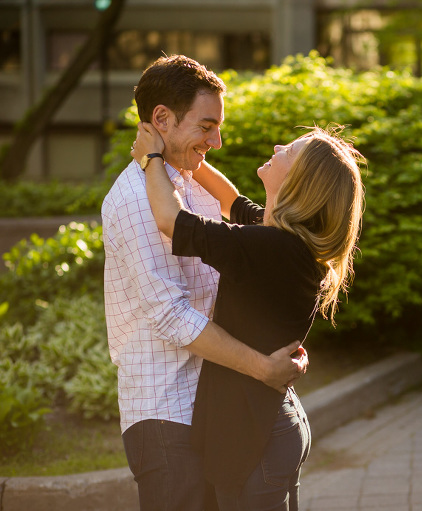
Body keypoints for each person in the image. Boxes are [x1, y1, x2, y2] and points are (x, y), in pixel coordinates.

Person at [101, 54, 307, 511]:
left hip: (217, 406)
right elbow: (173, 317)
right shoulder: (135, 201)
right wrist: (263, 367)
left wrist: (172, 152)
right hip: (166, 412)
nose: (217, 141)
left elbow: (234, 214)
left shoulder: (190, 185)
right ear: (161, 119)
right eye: (206, 126)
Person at [130, 120, 365, 510]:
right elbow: (231, 200)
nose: (277, 146)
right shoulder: (283, 242)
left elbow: (173, 222)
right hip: (272, 427)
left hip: (257, 439)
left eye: (288, 151)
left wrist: (152, 159)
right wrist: (191, 157)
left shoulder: (270, 247)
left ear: (299, 183)